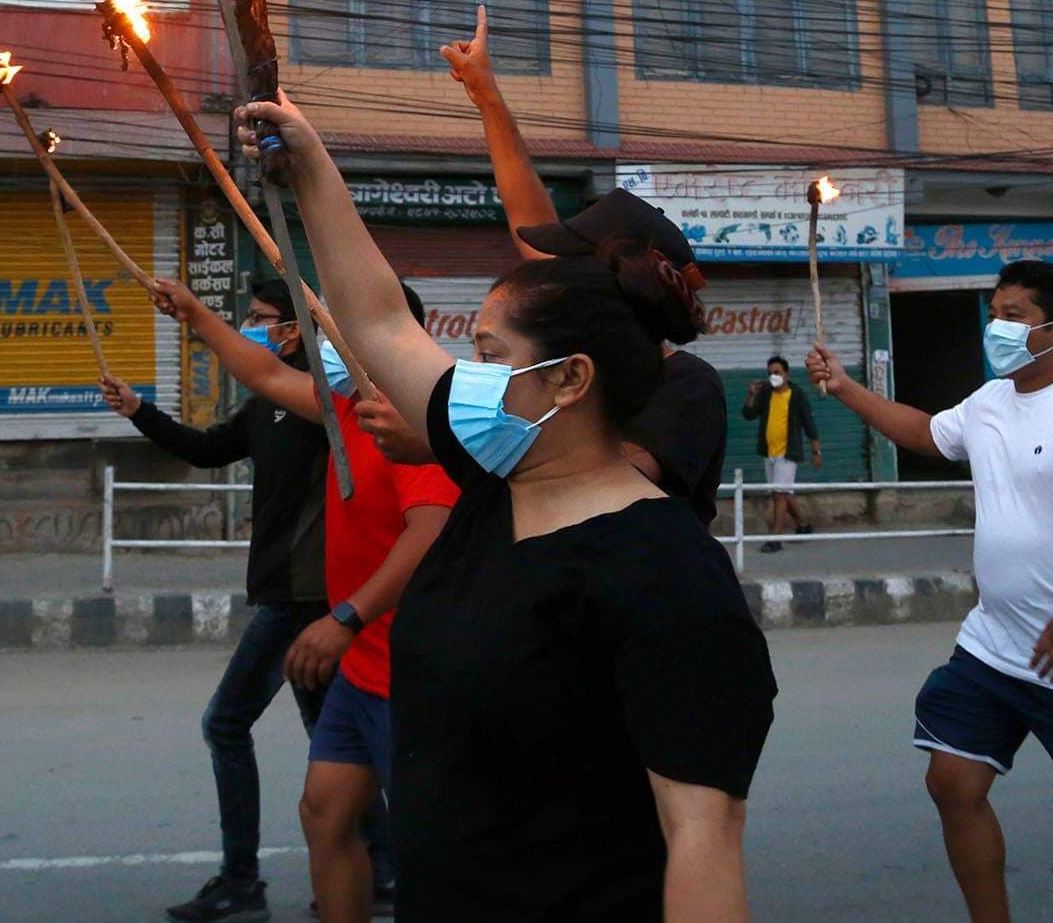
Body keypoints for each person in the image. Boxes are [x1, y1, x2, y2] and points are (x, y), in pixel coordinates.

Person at [237, 92, 776, 920]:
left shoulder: (668, 573)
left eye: (489, 356)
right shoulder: (494, 476)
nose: (467, 375)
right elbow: (379, 318)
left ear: (570, 380)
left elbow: (703, 839)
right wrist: (311, 165)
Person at [807, 260, 1053, 923]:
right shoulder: (989, 401)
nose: (995, 327)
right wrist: (843, 387)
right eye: (995, 312)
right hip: (995, 645)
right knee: (951, 779)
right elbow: (927, 433)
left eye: (1014, 316)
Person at [152, 278, 457, 923]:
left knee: (437, 846)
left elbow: (430, 531)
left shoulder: (415, 423)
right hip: (360, 662)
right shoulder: (346, 407)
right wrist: (198, 314)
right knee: (325, 814)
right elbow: (263, 372)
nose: (323, 340)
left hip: (408, 663)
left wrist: (345, 616)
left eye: (337, 325)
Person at [99, 280, 383, 923]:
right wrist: (140, 411)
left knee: (228, 724)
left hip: (305, 597)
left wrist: (197, 315)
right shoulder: (268, 403)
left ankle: (241, 879)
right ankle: (382, 867)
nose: (252, 330)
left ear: (295, 329)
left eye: (261, 320)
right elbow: (208, 450)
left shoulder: (330, 399)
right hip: (289, 592)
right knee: (341, 740)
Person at [442, 8, 729, 524]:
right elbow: (525, 213)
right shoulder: (569, 377)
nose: (552, 280)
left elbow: (604, 484)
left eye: (569, 266)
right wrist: (486, 95)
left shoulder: (687, 384)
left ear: (618, 282)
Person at [743, 356, 821, 552]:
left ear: (786, 374)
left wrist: (816, 450)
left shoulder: (797, 395)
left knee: (779, 494)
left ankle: (776, 538)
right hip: (768, 453)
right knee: (781, 493)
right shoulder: (766, 394)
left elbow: (809, 423)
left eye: (777, 372)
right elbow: (748, 414)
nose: (773, 376)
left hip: (788, 453)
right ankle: (803, 525)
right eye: (770, 373)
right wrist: (751, 394)